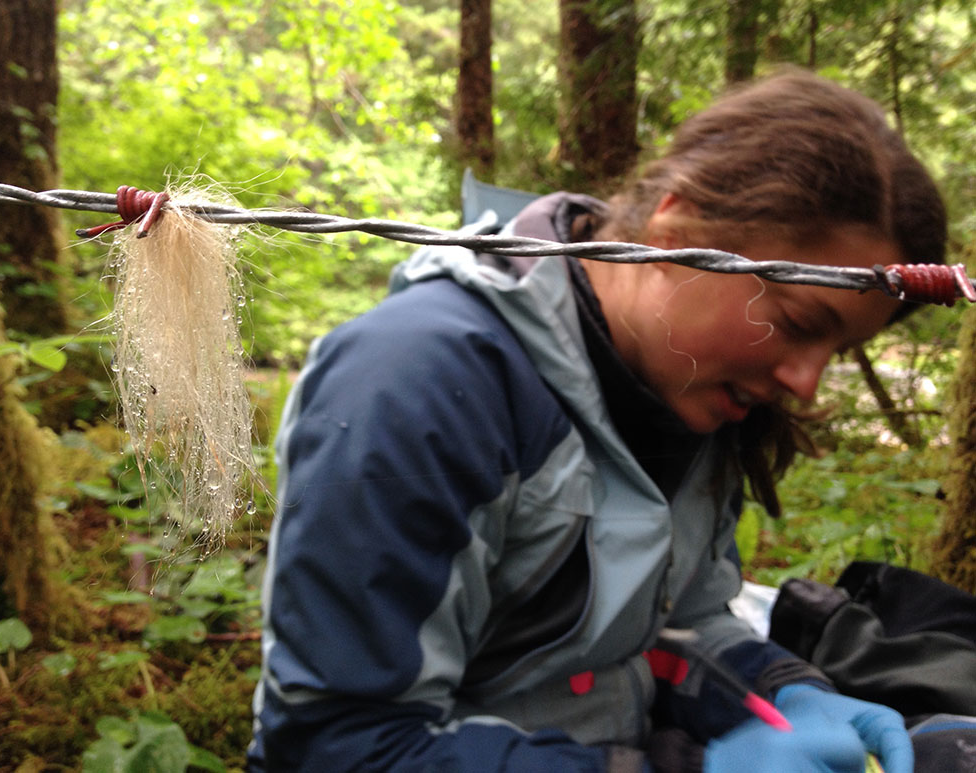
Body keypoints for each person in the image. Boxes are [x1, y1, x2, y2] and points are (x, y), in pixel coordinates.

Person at [248, 69, 947, 772]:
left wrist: (781, 691)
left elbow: (678, 623)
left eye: (840, 350)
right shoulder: (421, 382)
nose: (806, 382)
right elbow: (337, 742)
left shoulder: (689, 389)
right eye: (797, 322)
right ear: (675, 231)